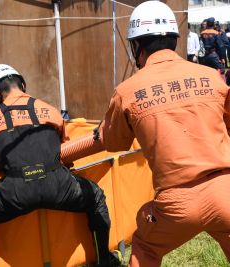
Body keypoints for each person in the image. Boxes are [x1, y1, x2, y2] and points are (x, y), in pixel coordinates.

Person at [62, 2, 230, 266]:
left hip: (176, 203)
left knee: (145, 248)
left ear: (137, 45)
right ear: (174, 39)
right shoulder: (212, 77)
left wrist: (62, 154)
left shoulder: (128, 91)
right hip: (225, 192)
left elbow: (107, 140)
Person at [0, 64, 122, 267]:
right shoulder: (50, 110)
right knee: (96, 197)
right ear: (22, 84)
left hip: (16, 188)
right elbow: (65, 153)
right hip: (59, 183)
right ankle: (104, 261)